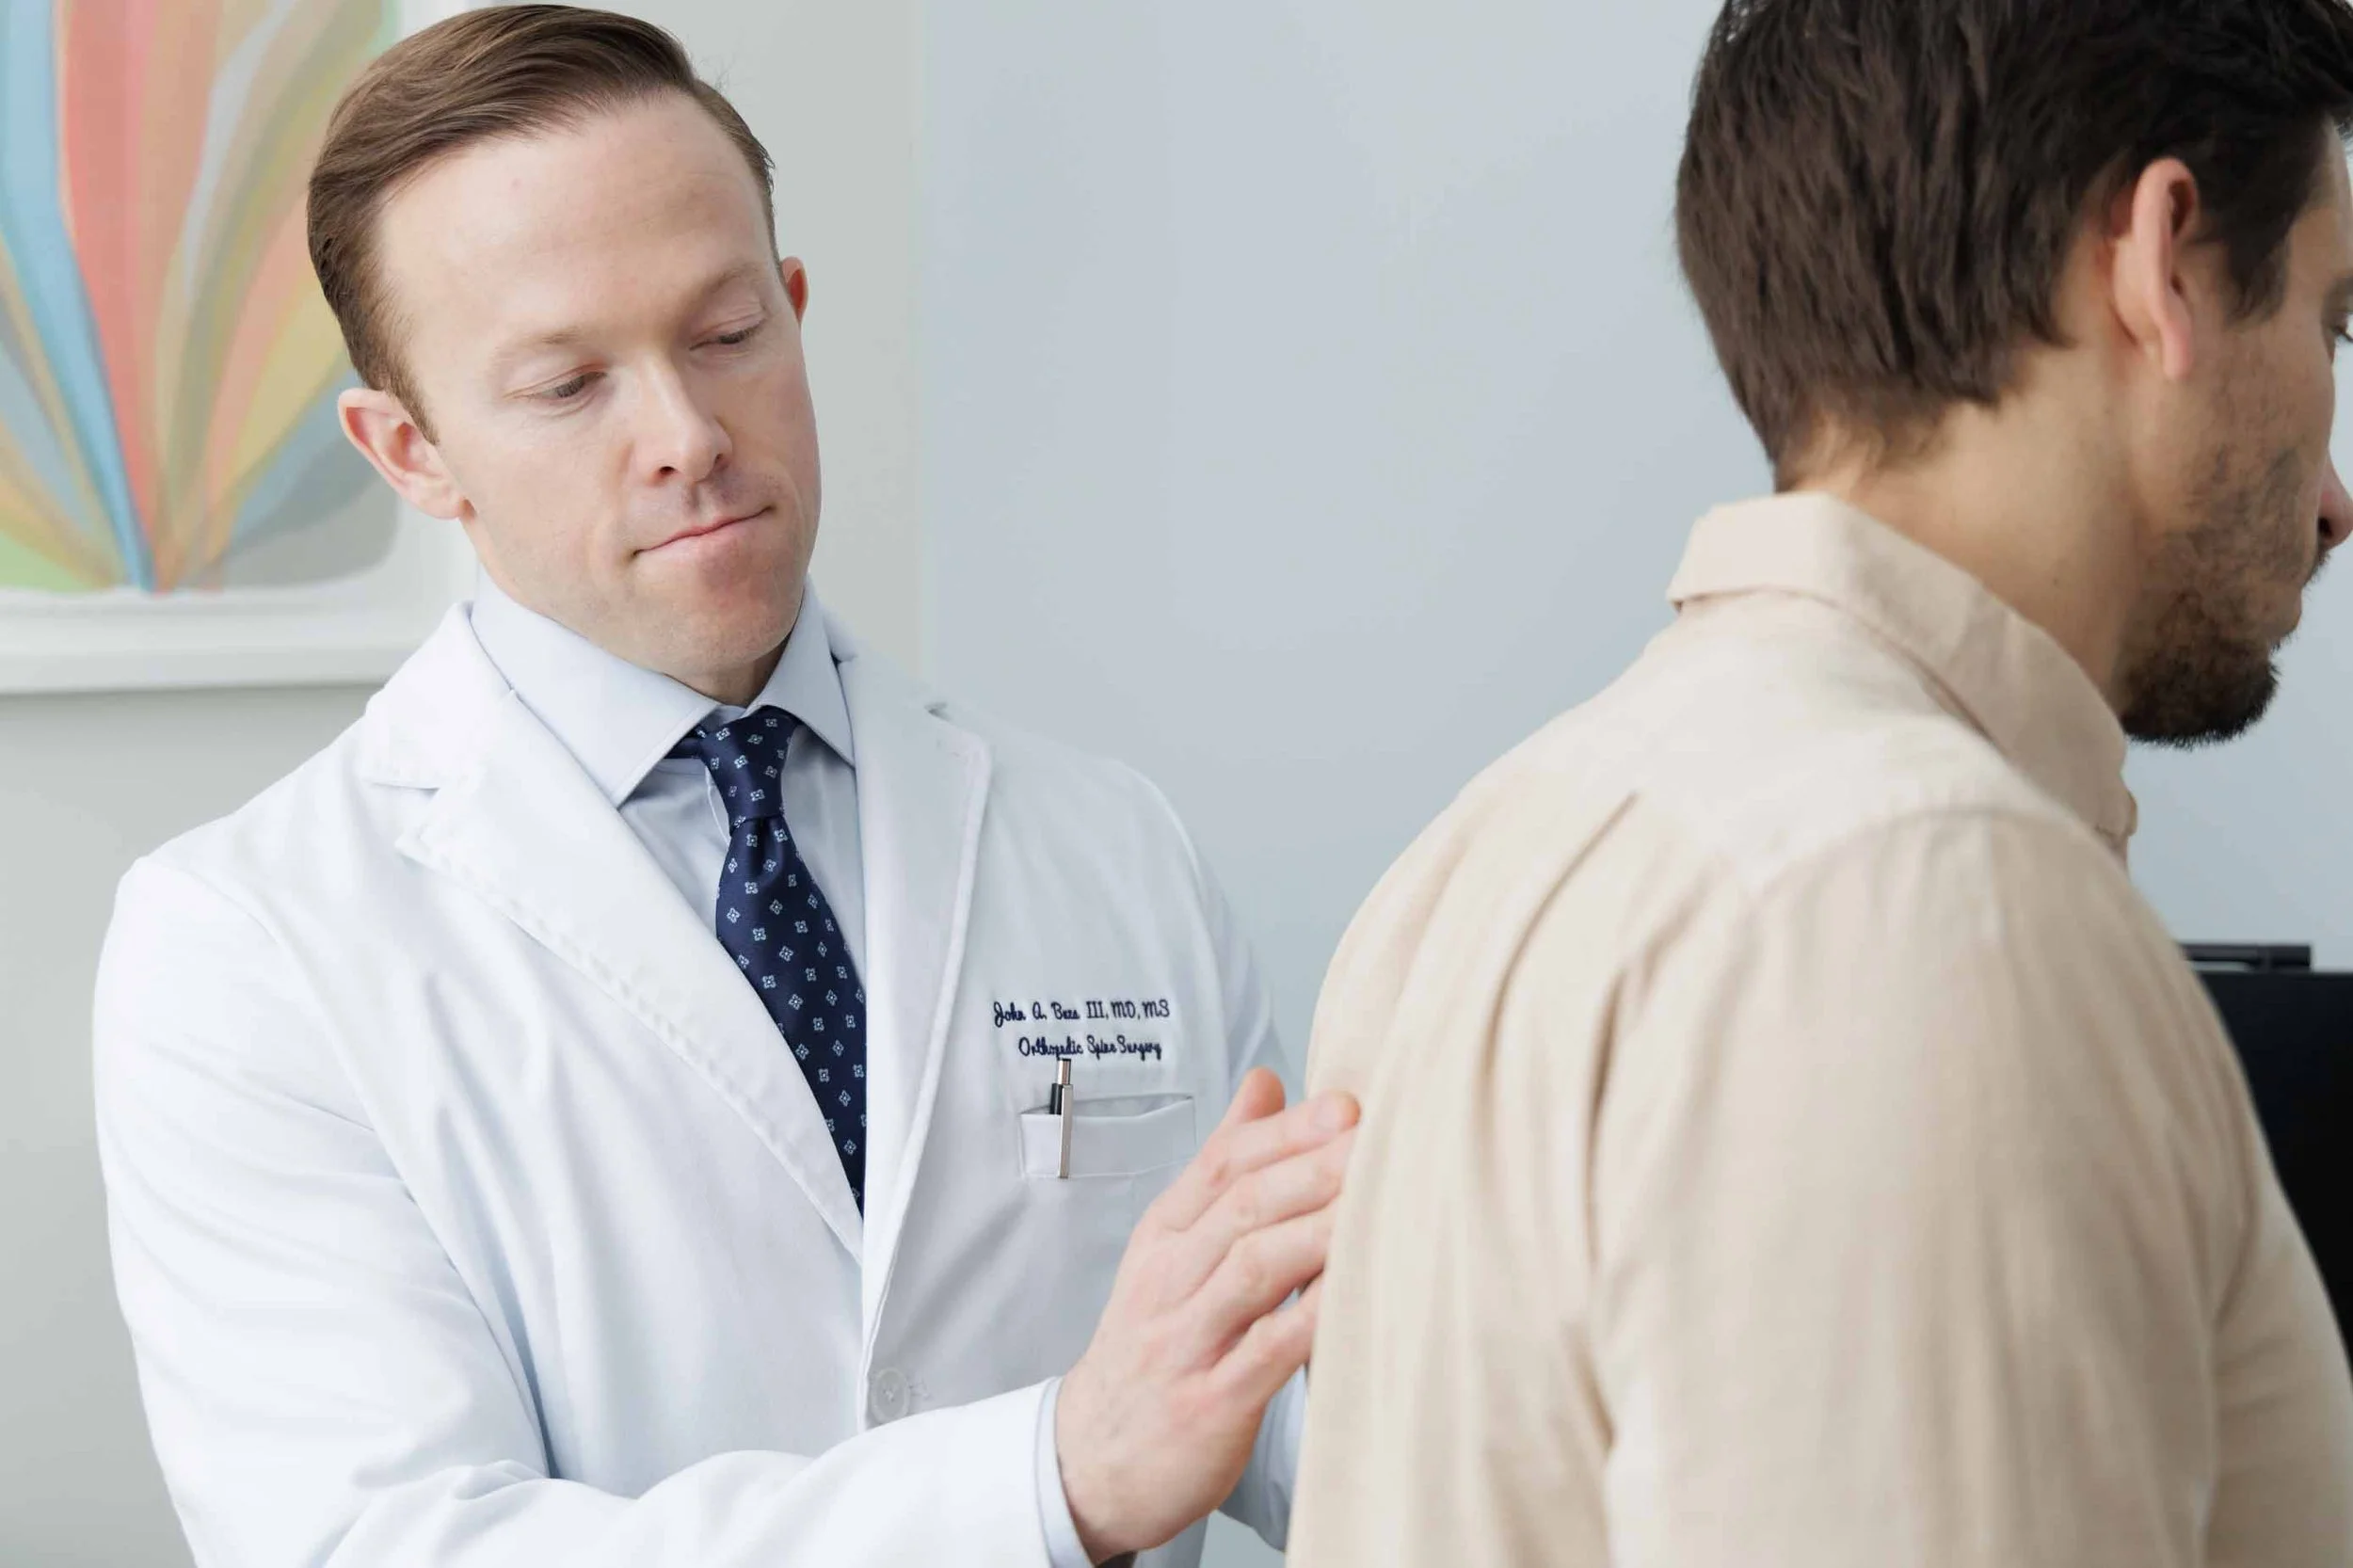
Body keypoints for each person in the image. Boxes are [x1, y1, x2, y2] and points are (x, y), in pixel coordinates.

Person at [91, 9, 1353, 1567]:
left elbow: (1306, 1411)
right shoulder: (246, 945)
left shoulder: (1105, 842)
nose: (688, 436)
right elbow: (388, 1544)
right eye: (568, 384)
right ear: (411, 450)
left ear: (797, 310)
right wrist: (1048, 1474)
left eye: (726, 332)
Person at [1289, 2, 2353, 1563]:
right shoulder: (1925, 907)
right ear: (2167, 262)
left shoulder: (1474, 862)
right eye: (2332, 322)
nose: (2337, 497)